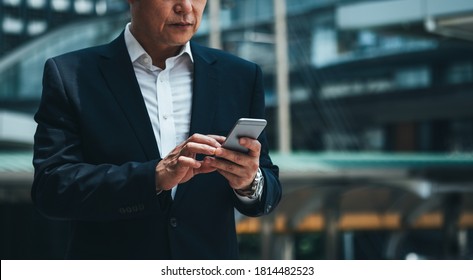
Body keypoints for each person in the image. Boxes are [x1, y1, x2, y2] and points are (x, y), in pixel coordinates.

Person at [32, 0, 281, 259]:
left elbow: (269, 185)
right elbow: (52, 188)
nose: (186, 7)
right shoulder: (71, 75)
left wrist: (248, 182)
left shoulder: (241, 76)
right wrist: (154, 177)